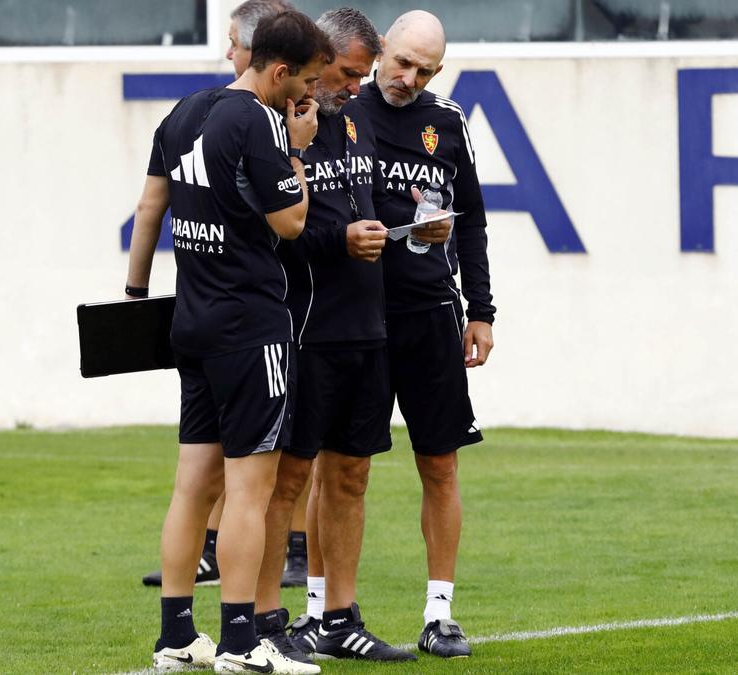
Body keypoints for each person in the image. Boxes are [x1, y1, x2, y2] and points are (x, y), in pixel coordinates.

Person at [124, 9, 332, 673]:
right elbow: (292, 221)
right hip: (251, 327)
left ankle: (177, 636)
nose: (308, 94)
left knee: (193, 486)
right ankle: (242, 642)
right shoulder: (260, 122)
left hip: (193, 321)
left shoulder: (183, 113)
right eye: (305, 81)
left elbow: (150, 207)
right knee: (249, 489)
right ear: (278, 70)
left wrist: (134, 294)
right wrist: (298, 148)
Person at [273, 8, 425, 663]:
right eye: (345, 73)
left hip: (367, 325)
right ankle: (267, 622)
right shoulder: (279, 125)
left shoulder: (357, 118)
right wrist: (339, 239)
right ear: (317, 58)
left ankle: (339, 617)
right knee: (288, 480)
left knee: (353, 476)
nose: (355, 86)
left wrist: (414, 224)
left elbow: (363, 209)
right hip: (307, 328)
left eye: (363, 75)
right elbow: (274, 232)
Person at [355, 9, 496, 658]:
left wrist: (481, 310)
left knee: (439, 463)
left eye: (426, 71)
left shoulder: (447, 121)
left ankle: (440, 614)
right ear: (381, 49)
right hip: (353, 316)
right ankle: (325, 611)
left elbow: (472, 222)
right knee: (342, 467)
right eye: (403, 62)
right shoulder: (340, 112)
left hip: (430, 313)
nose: (409, 78)